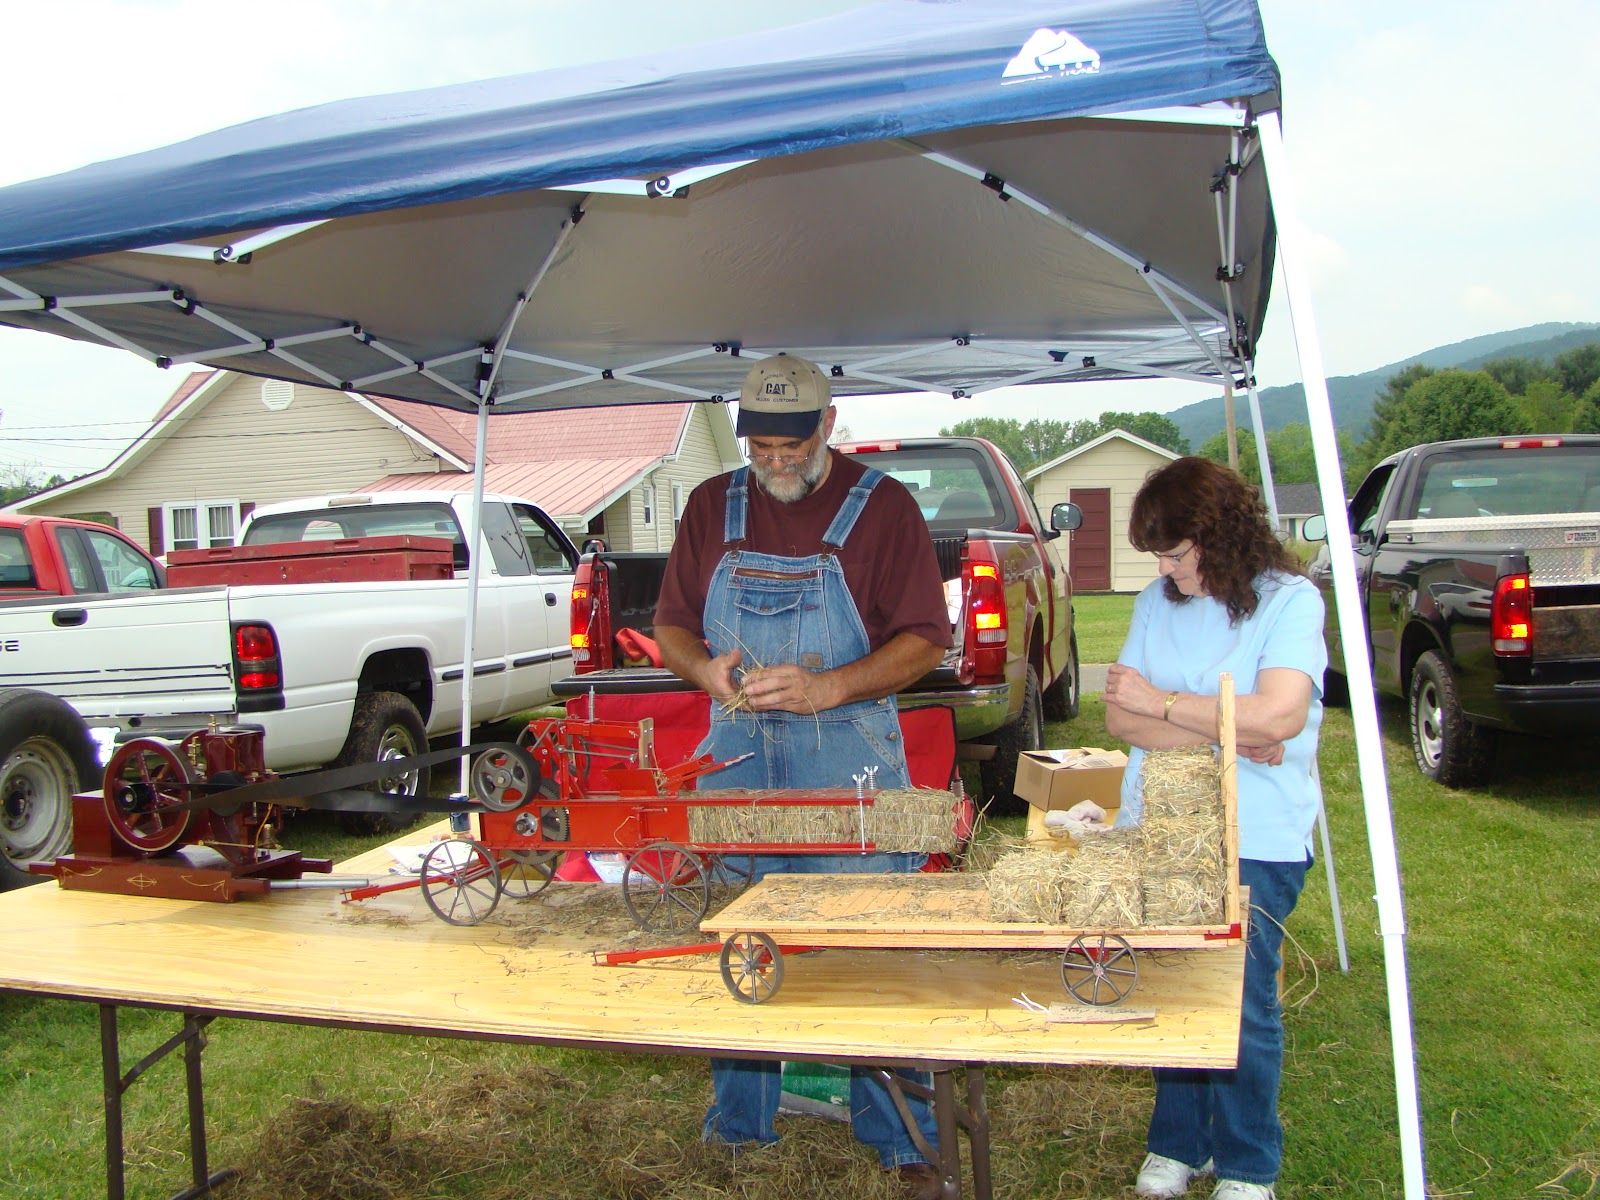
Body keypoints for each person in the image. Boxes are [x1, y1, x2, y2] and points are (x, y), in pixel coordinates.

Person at [653, 352, 952, 1200]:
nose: (777, 462)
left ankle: (905, 1143)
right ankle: (738, 1128)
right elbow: (672, 625)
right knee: (739, 939)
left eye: (793, 446)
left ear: (828, 424)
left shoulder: (883, 508)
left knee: (870, 946)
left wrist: (831, 686)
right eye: (761, 449)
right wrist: (704, 670)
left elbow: (926, 640)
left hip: (845, 762)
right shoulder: (712, 505)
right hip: (738, 760)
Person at [1101, 457, 1326, 1200]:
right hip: (1161, 826)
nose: (1165, 570)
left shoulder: (1290, 601)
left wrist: (1164, 704)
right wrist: (1232, 728)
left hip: (1257, 832)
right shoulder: (1156, 601)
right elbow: (1119, 719)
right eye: (1159, 557)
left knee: (1241, 998)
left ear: (1220, 536)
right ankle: (1178, 1142)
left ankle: (1247, 1162)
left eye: (1176, 554)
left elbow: (1280, 715)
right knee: (1171, 984)